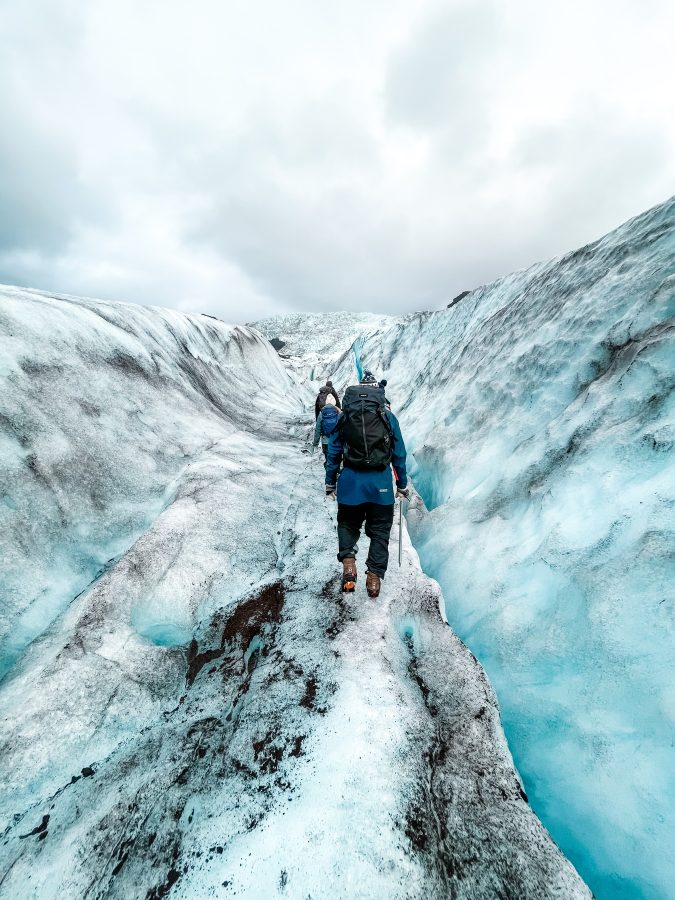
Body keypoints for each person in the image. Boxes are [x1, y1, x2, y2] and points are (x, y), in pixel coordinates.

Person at [325, 371, 408, 598]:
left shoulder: (346, 416)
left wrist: (330, 482)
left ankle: (349, 562)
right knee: (380, 532)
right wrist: (402, 484)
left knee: (348, 523)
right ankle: (373, 578)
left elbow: (333, 452)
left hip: (350, 484)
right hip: (380, 486)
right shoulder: (388, 417)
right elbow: (399, 453)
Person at [313, 394, 339, 464]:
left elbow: (317, 430)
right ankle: (336, 472)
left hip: (325, 442)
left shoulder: (322, 413)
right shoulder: (338, 412)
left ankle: (329, 472)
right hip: (336, 441)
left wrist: (315, 443)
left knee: (328, 460)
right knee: (336, 460)